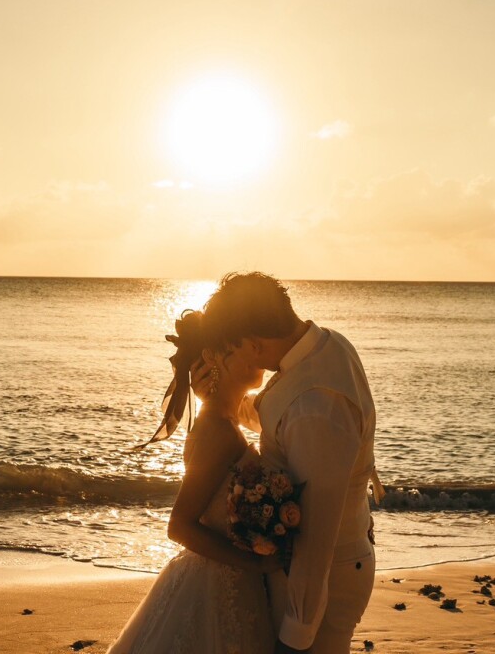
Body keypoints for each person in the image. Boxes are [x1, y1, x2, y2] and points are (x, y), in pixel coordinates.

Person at [198, 273, 376, 654]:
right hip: (335, 565)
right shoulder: (326, 346)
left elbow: (317, 536)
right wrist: (216, 399)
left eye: (234, 348)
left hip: (326, 580)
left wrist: (295, 637)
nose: (237, 358)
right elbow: (277, 417)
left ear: (252, 342)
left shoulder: (317, 407)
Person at [106, 308, 277, 654]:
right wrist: (255, 562)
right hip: (218, 583)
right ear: (214, 357)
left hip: (226, 579)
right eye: (245, 345)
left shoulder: (222, 417)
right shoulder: (217, 429)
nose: (257, 352)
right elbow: (180, 526)